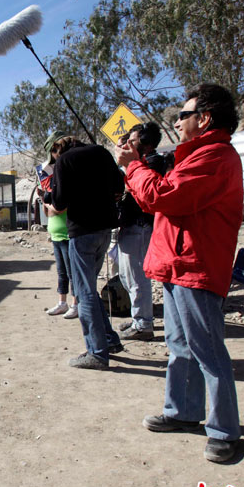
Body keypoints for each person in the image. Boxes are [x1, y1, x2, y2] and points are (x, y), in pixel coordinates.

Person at [115, 83, 243, 463]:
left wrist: (133, 166)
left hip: (196, 267)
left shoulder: (215, 156)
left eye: (182, 115)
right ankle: (182, 411)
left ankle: (223, 431)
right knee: (180, 347)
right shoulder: (195, 155)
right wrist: (136, 168)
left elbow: (164, 196)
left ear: (204, 118)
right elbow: (155, 199)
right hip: (176, 265)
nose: (177, 122)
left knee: (208, 353)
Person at [47, 135, 124, 370]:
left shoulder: (64, 161)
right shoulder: (101, 152)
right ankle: (109, 339)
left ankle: (97, 353)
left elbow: (59, 203)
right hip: (105, 231)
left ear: (57, 150)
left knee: (84, 292)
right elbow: (120, 187)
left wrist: (49, 196)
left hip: (81, 233)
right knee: (89, 288)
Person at [116, 123, 166, 341]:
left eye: (133, 140)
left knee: (137, 278)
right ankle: (139, 317)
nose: (128, 143)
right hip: (129, 224)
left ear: (145, 143)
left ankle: (144, 324)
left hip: (140, 225)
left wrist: (130, 166)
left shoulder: (154, 163)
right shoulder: (139, 164)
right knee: (127, 276)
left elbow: (142, 190)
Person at [41, 136, 78, 320]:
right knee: (61, 272)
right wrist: (45, 200)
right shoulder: (51, 178)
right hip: (56, 234)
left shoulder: (68, 179)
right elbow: (49, 211)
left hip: (67, 233)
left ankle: (76, 303)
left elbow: (59, 207)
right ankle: (62, 302)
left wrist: (46, 203)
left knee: (72, 273)